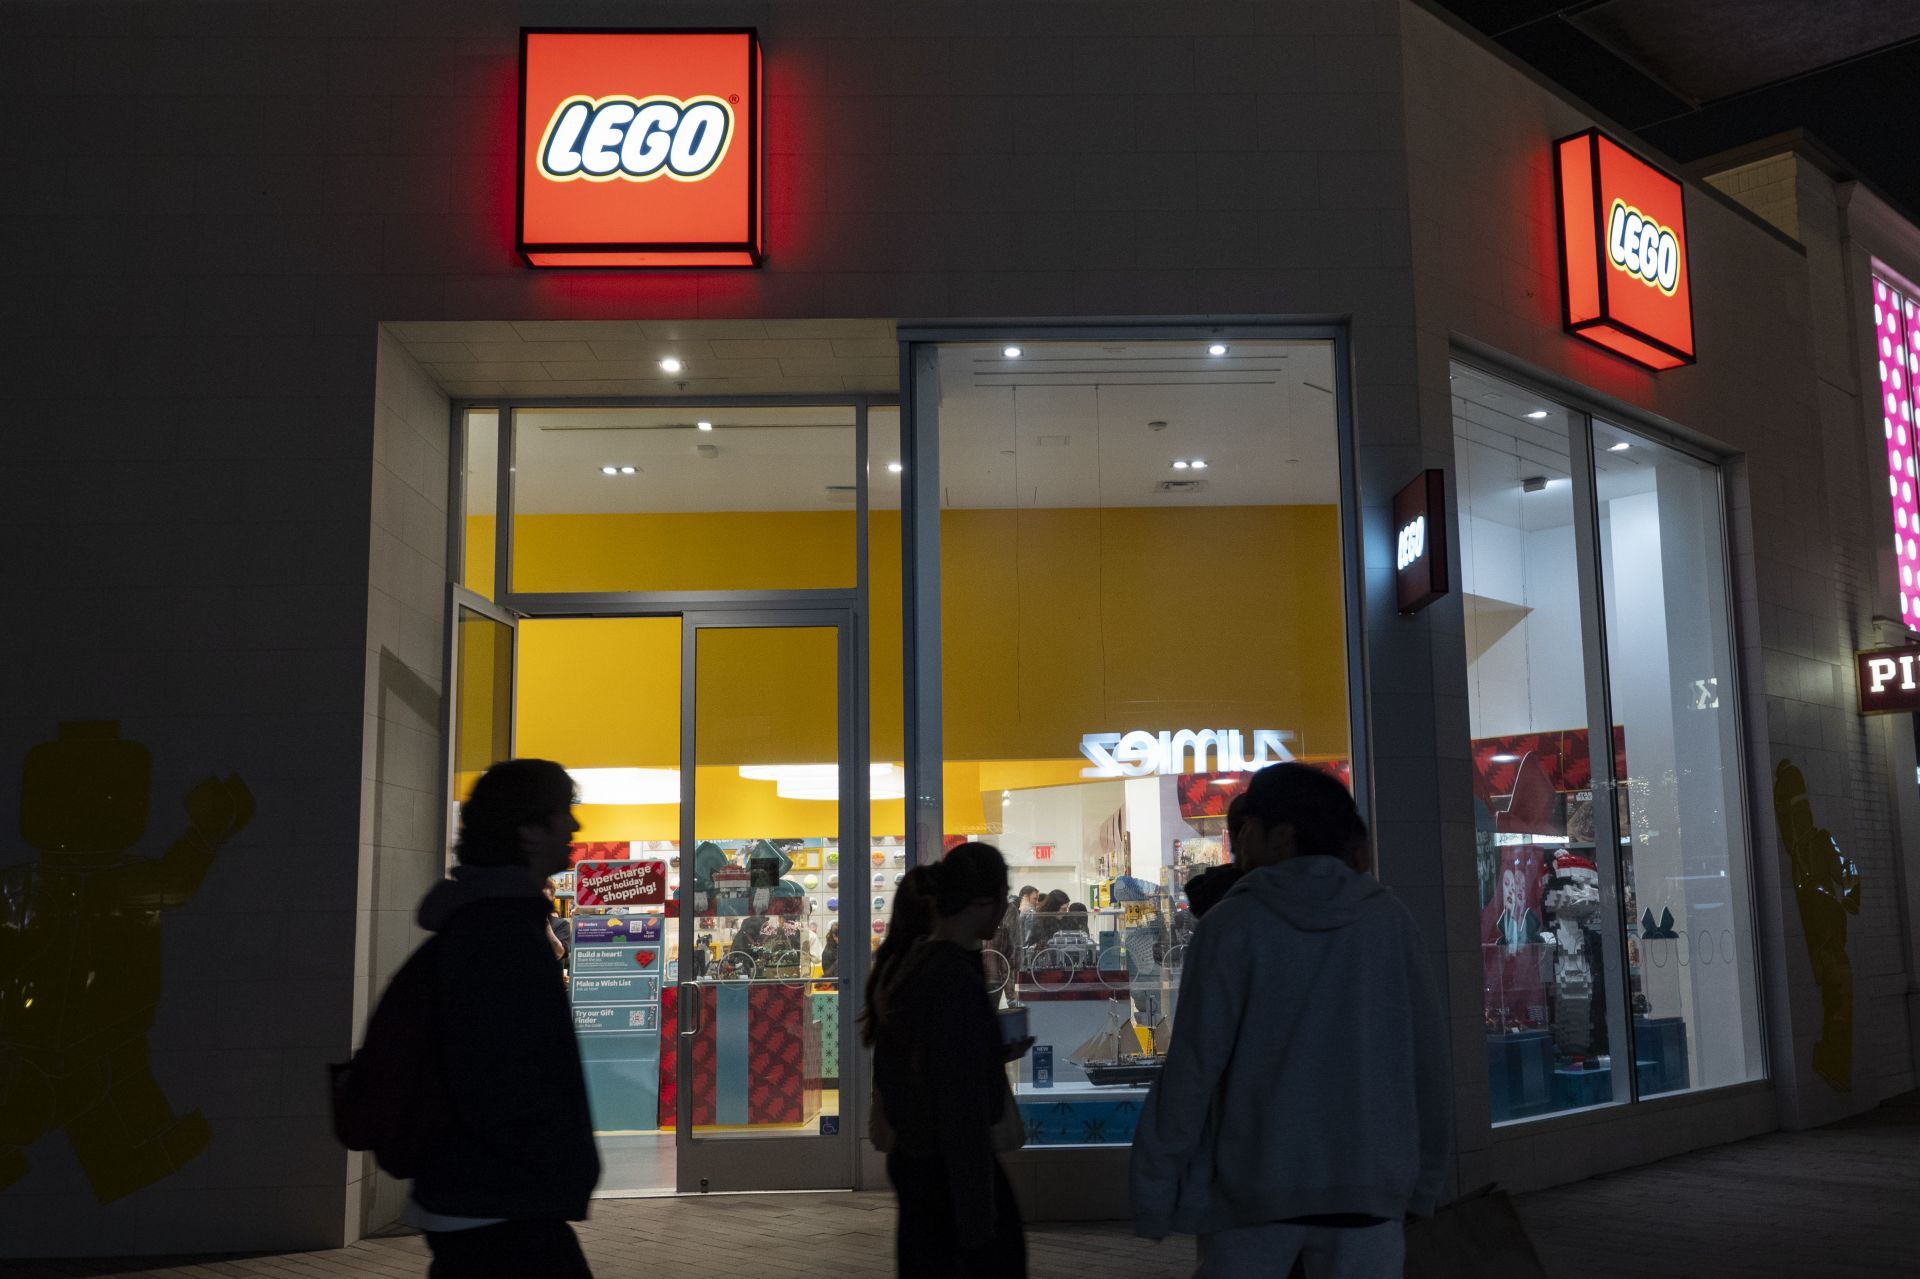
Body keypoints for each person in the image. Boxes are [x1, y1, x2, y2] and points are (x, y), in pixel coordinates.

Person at [1131, 764, 1450, 1277]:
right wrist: (1426, 1178)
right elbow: (1427, 1060)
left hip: (1254, 1188)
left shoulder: (1231, 925)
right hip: (1368, 1189)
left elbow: (1193, 1068)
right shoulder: (1388, 920)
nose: (1237, 843)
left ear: (1280, 837)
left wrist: (1155, 1187)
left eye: (1246, 829)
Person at [409, 758, 599, 1278]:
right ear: (530, 831)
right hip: (499, 1201)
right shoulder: (502, 939)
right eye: (565, 812)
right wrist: (555, 1166)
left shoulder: (484, 924)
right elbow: (503, 1079)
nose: (575, 827)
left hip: (482, 1197)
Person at [870, 844, 1034, 1277]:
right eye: (1002, 898)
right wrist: (978, 1216)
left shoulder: (916, 966)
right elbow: (958, 1100)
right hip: (949, 1174)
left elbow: (928, 1062)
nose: (1004, 910)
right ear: (982, 902)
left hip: (920, 1164)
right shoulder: (953, 976)